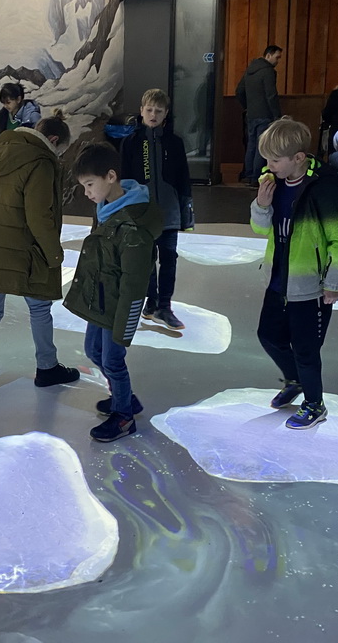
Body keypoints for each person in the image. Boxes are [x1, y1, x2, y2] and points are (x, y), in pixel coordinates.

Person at [0, 110, 80, 399]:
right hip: (27, 248)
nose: (58, 155)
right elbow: (39, 217)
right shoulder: (40, 163)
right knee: (40, 309)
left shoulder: (3, 152)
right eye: (60, 150)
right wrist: (54, 254)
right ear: (52, 139)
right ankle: (47, 368)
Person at [250, 117, 338, 430]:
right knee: (268, 335)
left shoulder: (323, 184)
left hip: (311, 285)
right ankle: (294, 379)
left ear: (298, 158)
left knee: (306, 348)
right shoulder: (273, 182)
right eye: (265, 157)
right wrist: (261, 204)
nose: (267, 165)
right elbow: (259, 228)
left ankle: (314, 404)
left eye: (274, 159)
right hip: (278, 279)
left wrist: (333, 283)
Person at [65, 143, 162, 442]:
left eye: (90, 185)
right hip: (102, 298)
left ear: (110, 176)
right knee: (95, 351)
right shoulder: (106, 209)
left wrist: (124, 326)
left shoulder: (131, 225)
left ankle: (123, 418)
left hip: (117, 304)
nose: (87, 193)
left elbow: (134, 284)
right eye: (83, 186)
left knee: (113, 360)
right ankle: (126, 399)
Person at [119, 88, 194, 331]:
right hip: (142, 213)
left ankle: (165, 305)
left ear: (166, 114)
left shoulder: (175, 143)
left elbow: (184, 179)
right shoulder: (129, 143)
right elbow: (124, 179)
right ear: (141, 111)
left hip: (170, 212)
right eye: (149, 110)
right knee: (147, 259)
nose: (153, 114)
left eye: (158, 111)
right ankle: (151, 303)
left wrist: (187, 213)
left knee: (169, 258)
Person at [235, 45, 283, 184]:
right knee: (261, 146)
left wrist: (247, 106)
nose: (278, 61)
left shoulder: (249, 70)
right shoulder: (268, 72)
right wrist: (277, 116)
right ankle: (256, 177)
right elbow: (271, 95)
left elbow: (239, 91)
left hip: (251, 114)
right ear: (268, 55)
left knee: (251, 144)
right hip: (265, 114)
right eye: (277, 57)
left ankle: (248, 174)